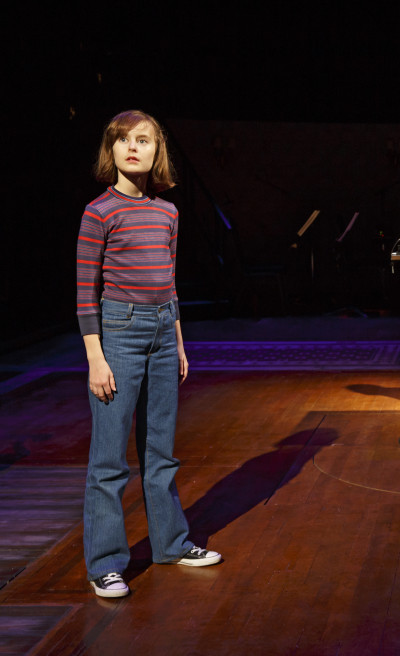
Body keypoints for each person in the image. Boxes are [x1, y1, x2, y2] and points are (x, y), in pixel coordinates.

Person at [77, 110, 222, 598]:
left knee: (160, 452)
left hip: (162, 330)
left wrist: (177, 341)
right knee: (109, 458)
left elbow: (170, 281)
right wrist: (96, 358)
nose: (133, 147)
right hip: (119, 332)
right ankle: (105, 563)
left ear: (158, 152)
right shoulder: (99, 212)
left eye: (144, 140)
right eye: (123, 140)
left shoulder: (168, 212)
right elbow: (84, 292)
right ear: (111, 150)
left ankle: (171, 543)